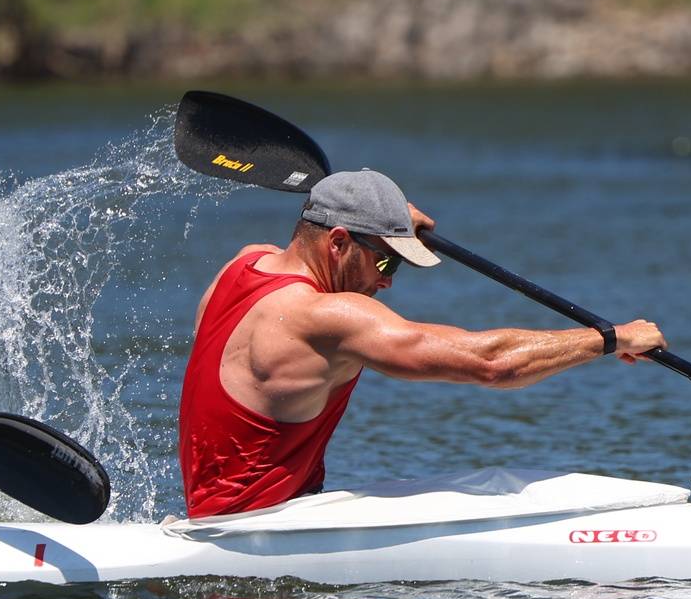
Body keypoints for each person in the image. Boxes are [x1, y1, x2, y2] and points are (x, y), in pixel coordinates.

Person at [177, 169, 666, 518]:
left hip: (218, 513)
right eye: (386, 263)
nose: (388, 281)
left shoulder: (244, 264)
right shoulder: (326, 317)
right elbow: (490, 364)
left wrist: (385, 221)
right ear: (338, 244)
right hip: (260, 528)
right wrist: (611, 337)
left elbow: (320, 231)